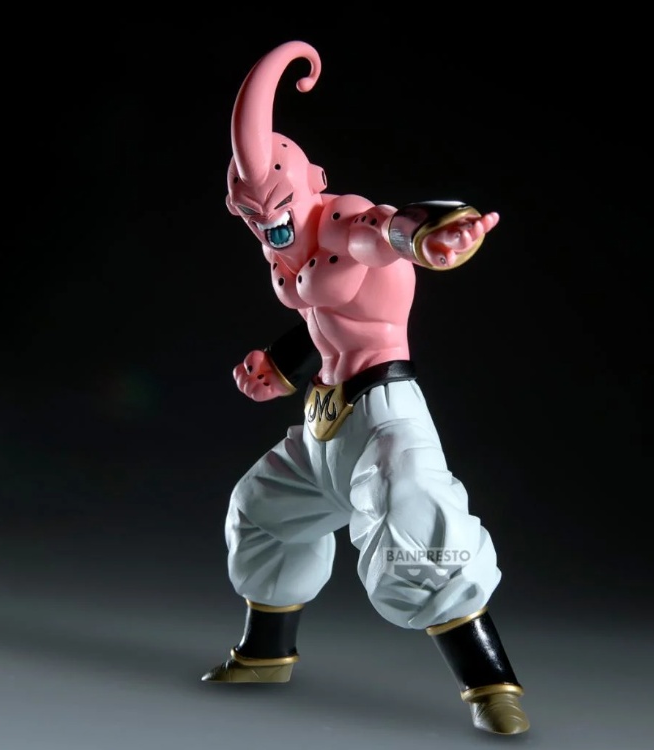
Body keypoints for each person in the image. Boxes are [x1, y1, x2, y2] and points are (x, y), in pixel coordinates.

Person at [201, 39, 530, 736]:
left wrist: (431, 235)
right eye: (252, 214)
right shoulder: (282, 244)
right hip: (323, 419)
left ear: (313, 182)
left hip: (383, 415)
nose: (268, 225)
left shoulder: (344, 221)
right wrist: (278, 368)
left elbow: (384, 231)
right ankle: (266, 655)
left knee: (418, 529)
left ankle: (491, 683)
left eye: (277, 206)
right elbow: (320, 320)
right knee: (261, 511)